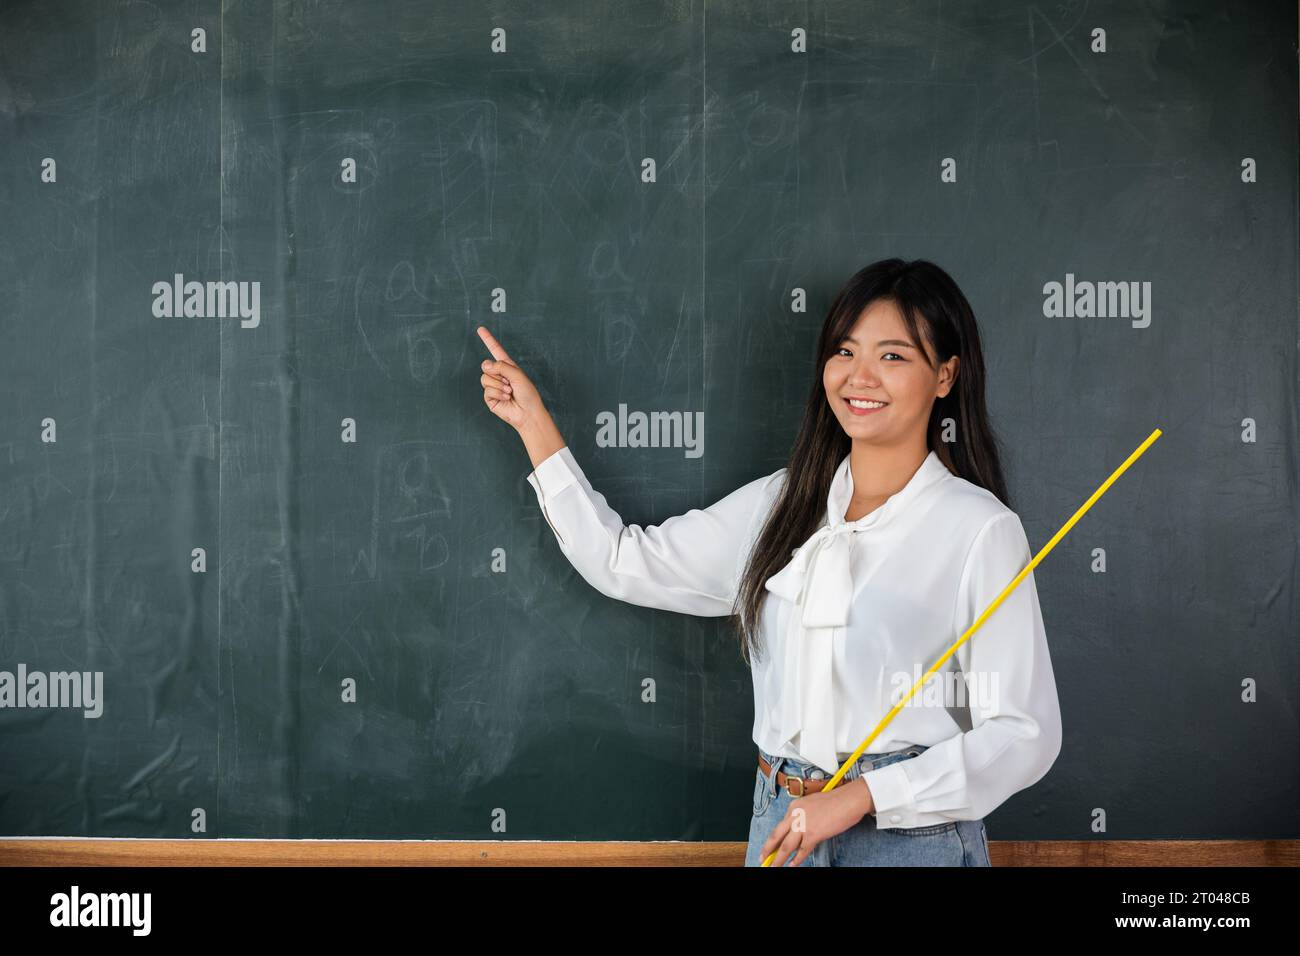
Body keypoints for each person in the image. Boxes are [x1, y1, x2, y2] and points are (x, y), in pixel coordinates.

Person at [476, 258, 1062, 867]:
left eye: (893, 356)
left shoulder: (978, 529)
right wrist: (533, 424)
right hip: (781, 823)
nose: (859, 377)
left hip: (910, 841)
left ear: (945, 375)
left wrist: (864, 796)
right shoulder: (781, 504)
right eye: (844, 351)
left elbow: (1024, 733)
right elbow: (624, 560)